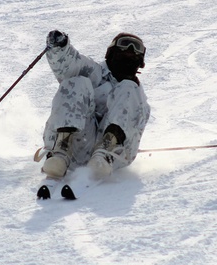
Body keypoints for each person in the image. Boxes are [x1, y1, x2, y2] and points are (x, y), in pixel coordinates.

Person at [39, 30, 151, 180]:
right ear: (111, 53)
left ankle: (107, 149)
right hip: (78, 146)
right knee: (76, 81)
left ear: (140, 62)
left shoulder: (137, 97)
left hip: (113, 156)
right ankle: (61, 151)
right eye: (123, 46)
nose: (129, 53)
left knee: (129, 88)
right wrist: (60, 47)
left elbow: (135, 131)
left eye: (135, 51)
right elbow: (70, 64)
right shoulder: (95, 73)